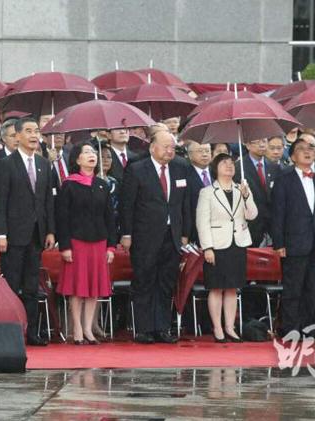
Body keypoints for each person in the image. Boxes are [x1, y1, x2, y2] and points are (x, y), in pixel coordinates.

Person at [119, 130, 191, 344]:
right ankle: (144, 329)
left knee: (166, 282)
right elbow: (127, 205)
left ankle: (162, 327)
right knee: (144, 281)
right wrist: (126, 234)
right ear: (152, 147)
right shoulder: (137, 169)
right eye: (166, 147)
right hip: (144, 236)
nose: (170, 151)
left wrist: (185, 233)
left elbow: (185, 203)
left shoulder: (181, 167)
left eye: (172, 147)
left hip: (172, 235)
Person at [0, 117, 56, 347]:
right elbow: (0, 202)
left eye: (36, 131)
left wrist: (50, 231)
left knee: (31, 286)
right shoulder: (5, 164)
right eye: (28, 131)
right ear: (17, 136)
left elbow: (47, 201)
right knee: (11, 285)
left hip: (36, 235)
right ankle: (10, 333)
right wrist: (0, 234)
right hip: (12, 236)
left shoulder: (43, 163)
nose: (33, 135)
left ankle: (31, 332)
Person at [55, 142, 116, 345]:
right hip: (77, 242)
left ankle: (89, 328)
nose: (92, 155)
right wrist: (65, 246)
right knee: (77, 288)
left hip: (99, 241)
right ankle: (77, 329)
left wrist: (111, 246)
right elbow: (62, 218)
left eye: (93, 152)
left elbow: (110, 217)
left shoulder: (102, 185)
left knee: (94, 288)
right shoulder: (69, 185)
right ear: (77, 159)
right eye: (87, 152)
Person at [271, 137, 315, 338]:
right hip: (293, 242)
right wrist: (278, 243)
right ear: (293, 156)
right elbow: (277, 213)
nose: (307, 152)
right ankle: (290, 329)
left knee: (312, 288)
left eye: (311, 148)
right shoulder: (284, 178)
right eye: (301, 149)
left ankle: (310, 329)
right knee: (293, 288)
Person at [196, 153, 257, 343]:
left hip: (237, 243)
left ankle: (230, 327)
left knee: (232, 288)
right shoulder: (207, 192)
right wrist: (207, 247)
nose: (229, 166)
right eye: (224, 163)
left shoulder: (241, 189)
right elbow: (202, 222)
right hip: (217, 245)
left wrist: (247, 196)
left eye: (231, 163)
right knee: (216, 288)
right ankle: (217, 327)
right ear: (215, 168)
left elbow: (252, 215)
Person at [234, 138, 277, 247]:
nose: (262, 145)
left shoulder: (274, 166)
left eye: (264, 141)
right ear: (248, 145)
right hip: (250, 227)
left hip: (272, 227)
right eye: (257, 141)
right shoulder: (238, 168)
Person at [186, 142, 212, 243]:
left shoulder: (218, 172)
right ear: (190, 155)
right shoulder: (184, 175)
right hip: (194, 231)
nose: (205, 154)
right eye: (200, 151)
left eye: (207, 151)